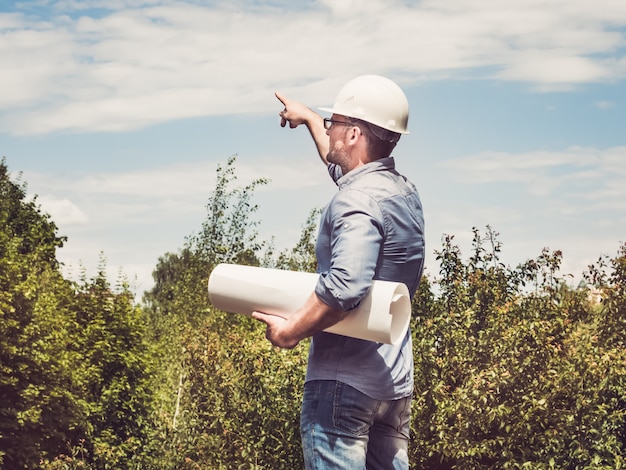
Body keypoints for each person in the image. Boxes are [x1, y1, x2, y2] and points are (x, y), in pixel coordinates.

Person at [252, 75, 425, 469]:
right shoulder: (401, 192)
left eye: (335, 123)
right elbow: (343, 171)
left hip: (343, 386)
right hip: (393, 386)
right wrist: (311, 119)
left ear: (353, 134)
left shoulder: (356, 200)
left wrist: (288, 332)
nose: (329, 130)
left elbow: (345, 287)